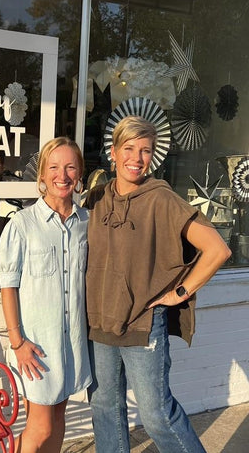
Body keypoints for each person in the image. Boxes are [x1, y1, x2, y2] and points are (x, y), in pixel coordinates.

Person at [84, 115, 232, 453]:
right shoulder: (95, 200)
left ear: (153, 157)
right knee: (105, 409)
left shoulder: (161, 199)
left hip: (142, 324)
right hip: (99, 325)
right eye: (130, 148)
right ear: (114, 151)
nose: (136, 158)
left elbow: (217, 250)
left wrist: (179, 292)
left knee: (156, 415)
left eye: (146, 151)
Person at [0, 137, 92, 452]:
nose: (61, 176)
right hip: (37, 349)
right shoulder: (22, 225)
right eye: (54, 167)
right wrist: (17, 342)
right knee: (40, 427)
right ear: (41, 174)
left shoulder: (86, 224)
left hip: (72, 343)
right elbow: (7, 286)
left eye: (70, 167)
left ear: (79, 174)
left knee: (59, 418)